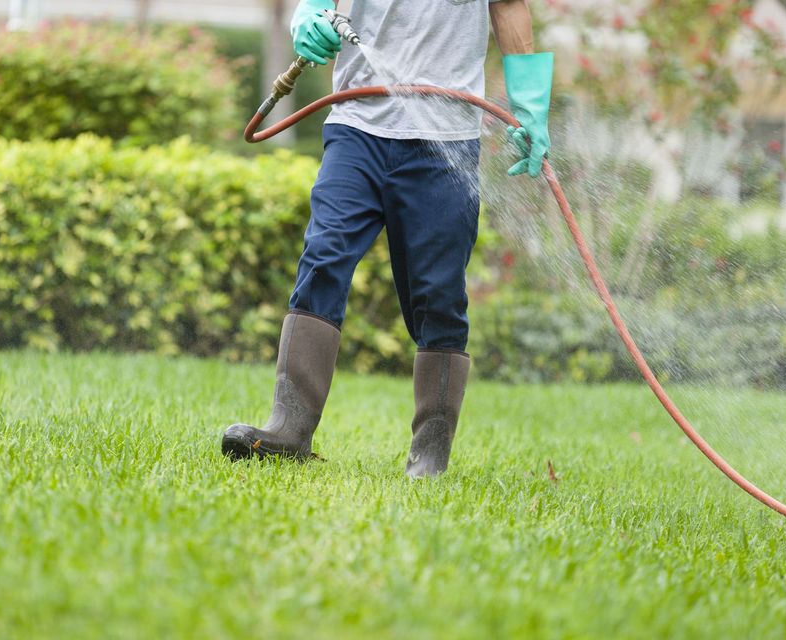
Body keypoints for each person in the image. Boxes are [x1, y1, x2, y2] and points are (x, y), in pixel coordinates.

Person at [222, 0, 553, 477]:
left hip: (447, 139)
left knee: (439, 292)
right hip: (357, 125)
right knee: (324, 255)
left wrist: (529, 108)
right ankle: (289, 427)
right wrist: (309, 14)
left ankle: (431, 450)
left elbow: (508, 6)